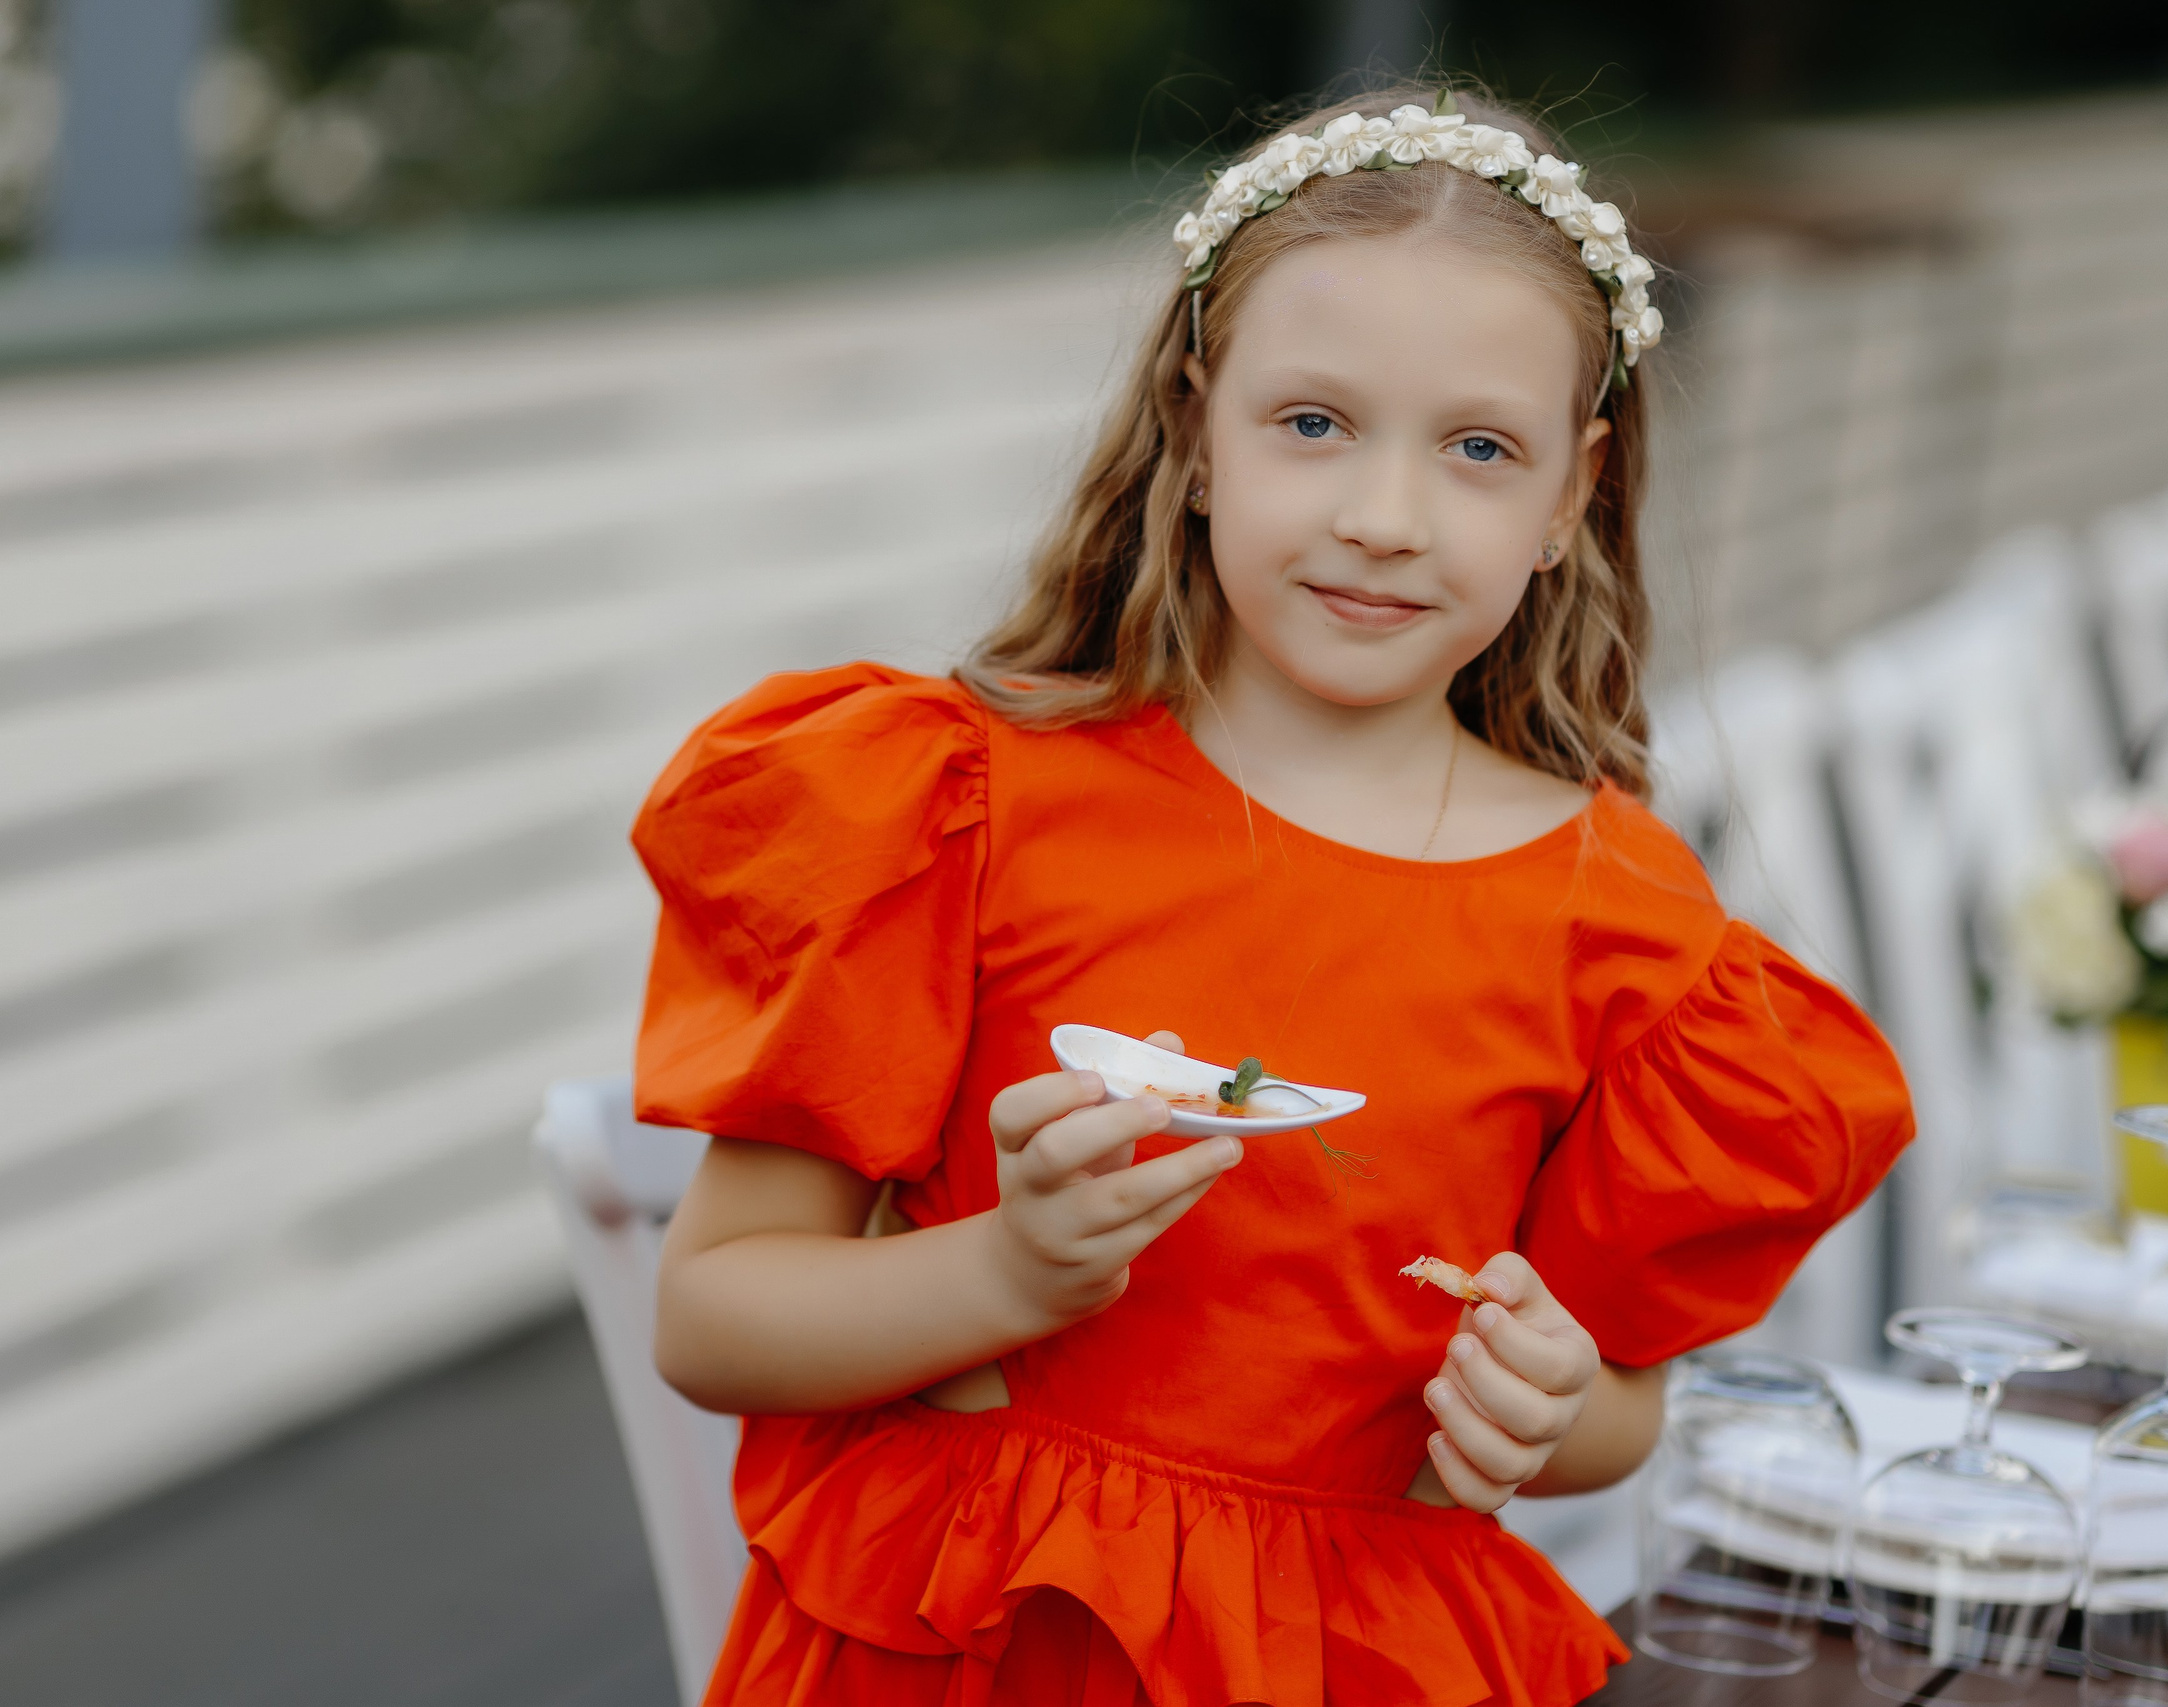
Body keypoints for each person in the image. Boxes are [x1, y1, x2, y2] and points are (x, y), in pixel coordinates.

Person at [634, 80, 1913, 1707]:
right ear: (1194, 432)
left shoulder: (1626, 925)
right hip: (969, 1648)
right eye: (1313, 424)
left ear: (1569, 498)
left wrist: (1549, 1408)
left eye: (1479, 449)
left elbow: (1614, 1412)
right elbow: (714, 1318)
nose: (1382, 518)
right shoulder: (957, 805)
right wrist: (1009, 1276)